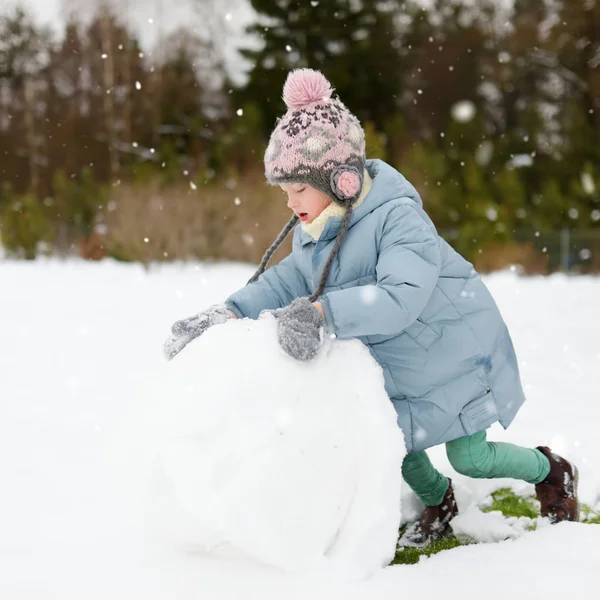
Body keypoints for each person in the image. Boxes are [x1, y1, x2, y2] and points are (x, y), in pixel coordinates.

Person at [163, 69, 579, 546]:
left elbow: (401, 296)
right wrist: (229, 313)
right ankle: (438, 500)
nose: (290, 202)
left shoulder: (398, 218)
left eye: (299, 189)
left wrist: (323, 315)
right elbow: (287, 280)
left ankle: (551, 471)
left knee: (472, 458)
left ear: (339, 179)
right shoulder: (319, 226)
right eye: (284, 192)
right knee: (393, 444)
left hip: (456, 351)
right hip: (401, 363)